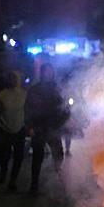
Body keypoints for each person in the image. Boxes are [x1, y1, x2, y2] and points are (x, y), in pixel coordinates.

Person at [25, 63, 68, 194]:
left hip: (53, 127)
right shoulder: (34, 90)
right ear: (42, 73)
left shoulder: (57, 88)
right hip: (39, 127)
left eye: (51, 71)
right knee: (37, 156)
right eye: (46, 71)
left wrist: (65, 120)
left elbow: (63, 107)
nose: (49, 74)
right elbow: (28, 109)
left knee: (58, 154)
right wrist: (30, 126)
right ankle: (34, 185)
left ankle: (58, 181)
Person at [0, 71, 27, 192]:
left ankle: (13, 180)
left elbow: (27, 110)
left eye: (15, 78)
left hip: (19, 128)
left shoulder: (24, 94)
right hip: (4, 128)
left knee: (18, 157)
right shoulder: (2, 94)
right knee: (3, 154)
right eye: (11, 78)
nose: (13, 81)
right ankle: (4, 169)